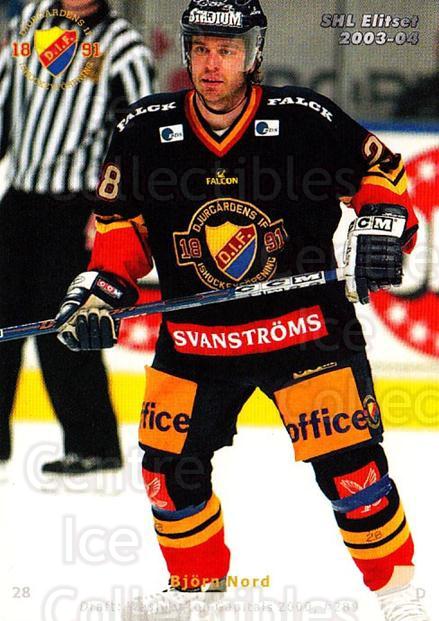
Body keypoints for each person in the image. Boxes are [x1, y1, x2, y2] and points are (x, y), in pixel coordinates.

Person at [55, 1, 429, 619]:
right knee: (168, 475)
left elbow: (383, 177)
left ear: (253, 54)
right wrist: (101, 290)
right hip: (198, 340)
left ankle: (401, 597)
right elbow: (122, 235)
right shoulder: (143, 130)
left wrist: (384, 223)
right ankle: (197, 597)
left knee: (354, 475)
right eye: (201, 49)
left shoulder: (304, 118)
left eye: (226, 51)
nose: (212, 64)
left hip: (306, 332)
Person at [0, 0, 155, 474]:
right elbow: (6, 101)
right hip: (20, 197)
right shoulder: (30, 21)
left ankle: (94, 444)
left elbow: (139, 136)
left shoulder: (124, 47)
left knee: (65, 323)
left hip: (77, 208)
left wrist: (114, 208)